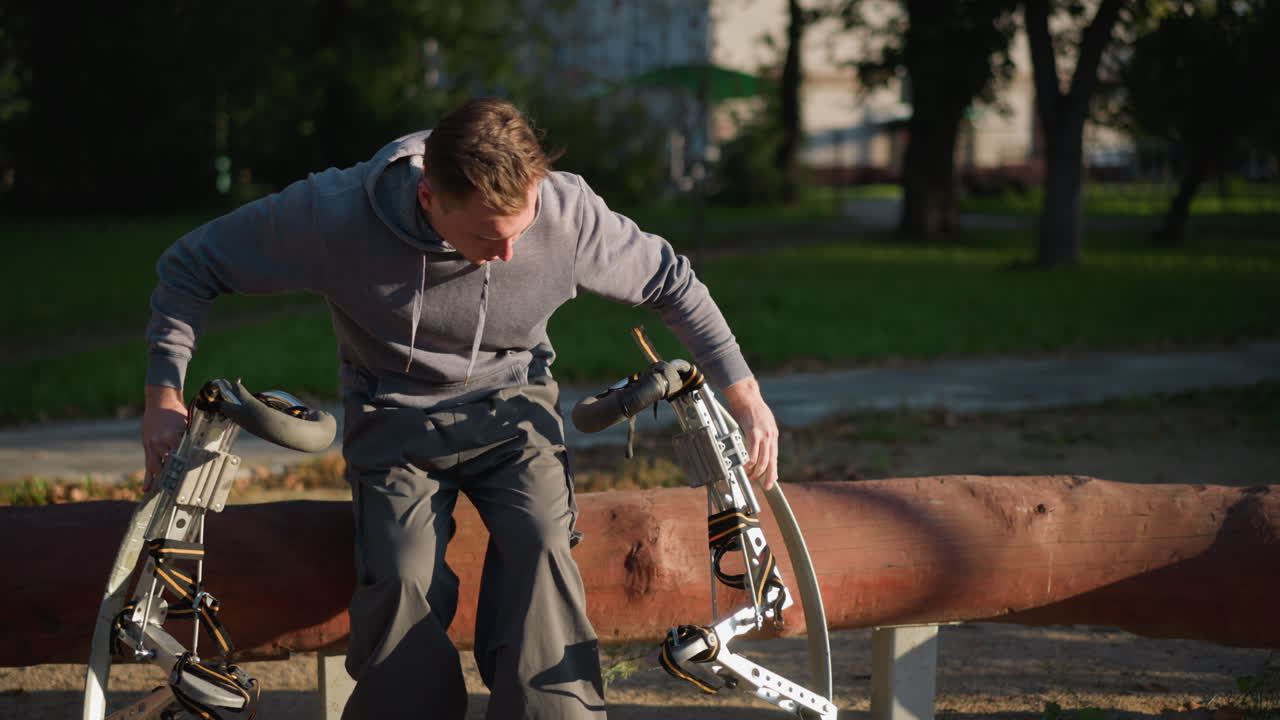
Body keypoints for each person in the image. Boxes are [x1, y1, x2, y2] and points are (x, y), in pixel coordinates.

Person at [140, 97, 779, 719]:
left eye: (520, 230)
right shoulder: (335, 214)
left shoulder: (565, 213)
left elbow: (672, 282)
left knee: (542, 543)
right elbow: (191, 266)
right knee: (401, 573)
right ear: (428, 197)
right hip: (392, 412)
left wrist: (744, 394)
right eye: (485, 237)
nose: (507, 255)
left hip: (513, 409)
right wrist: (163, 396)